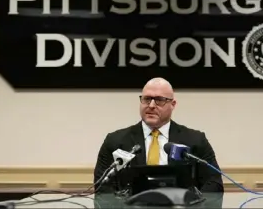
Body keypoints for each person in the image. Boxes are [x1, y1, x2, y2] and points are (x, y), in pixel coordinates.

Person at [93, 77, 224, 193]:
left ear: (173, 104)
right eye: (147, 99)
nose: (151, 105)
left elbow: (214, 184)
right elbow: (102, 186)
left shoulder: (195, 140)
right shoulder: (115, 141)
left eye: (159, 100)